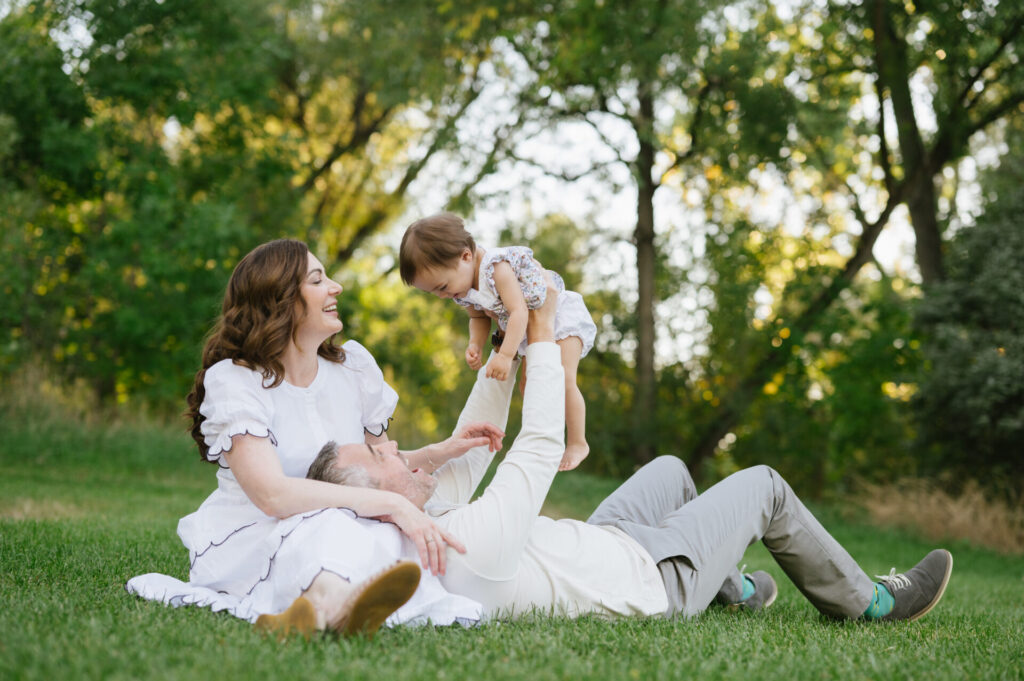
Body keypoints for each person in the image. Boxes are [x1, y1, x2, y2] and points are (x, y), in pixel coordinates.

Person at [309, 281, 953, 622]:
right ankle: (871, 601)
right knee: (764, 485)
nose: (391, 443)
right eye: (381, 453)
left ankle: (732, 592)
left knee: (671, 471)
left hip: (602, 544)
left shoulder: (429, 526)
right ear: (376, 498)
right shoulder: (462, 542)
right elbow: (536, 446)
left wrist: (503, 337)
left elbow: (478, 445)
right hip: (650, 581)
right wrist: (539, 332)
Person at [126, 239, 502, 638]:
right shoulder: (237, 381)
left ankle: (319, 613)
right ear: (281, 299)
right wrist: (390, 504)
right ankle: (329, 607)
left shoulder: (354, 369)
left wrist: (438, 451)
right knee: (331, 527)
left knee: (381, 531)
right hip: (259, 530)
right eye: (318, 279)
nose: (336, 287)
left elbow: (375, 468)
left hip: (345, 515)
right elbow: (272, 496)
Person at [398, 212, 597, 471]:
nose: (441, 296)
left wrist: (504, 355)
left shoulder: (496, 268)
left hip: (560, 315)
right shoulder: (462, 287)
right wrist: (475, 344)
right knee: (530, 383)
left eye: (442, 287)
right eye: (433, 292)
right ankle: (544, 437)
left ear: (465, 256)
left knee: (563, 378)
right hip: (526, 331)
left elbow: (519, 312)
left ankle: (578, 442)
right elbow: (478, 317)